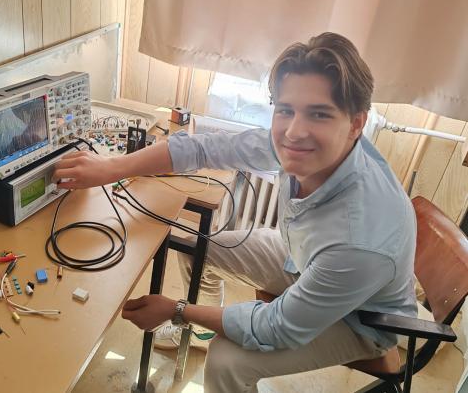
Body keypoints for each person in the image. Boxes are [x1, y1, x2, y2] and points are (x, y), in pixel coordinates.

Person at [52, 32, 417, 393]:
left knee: (226, 361)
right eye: (285, 110)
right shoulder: (305, 144)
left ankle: (199, 327)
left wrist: (176, 309)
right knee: (196, 247)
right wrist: (112, 167)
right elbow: (204, 148)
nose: (293, 132)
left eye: (319, 114)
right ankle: (202, 332)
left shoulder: (361, 241)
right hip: (304, 258)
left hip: (358, 319)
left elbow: (276, 327)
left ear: (356, 124)